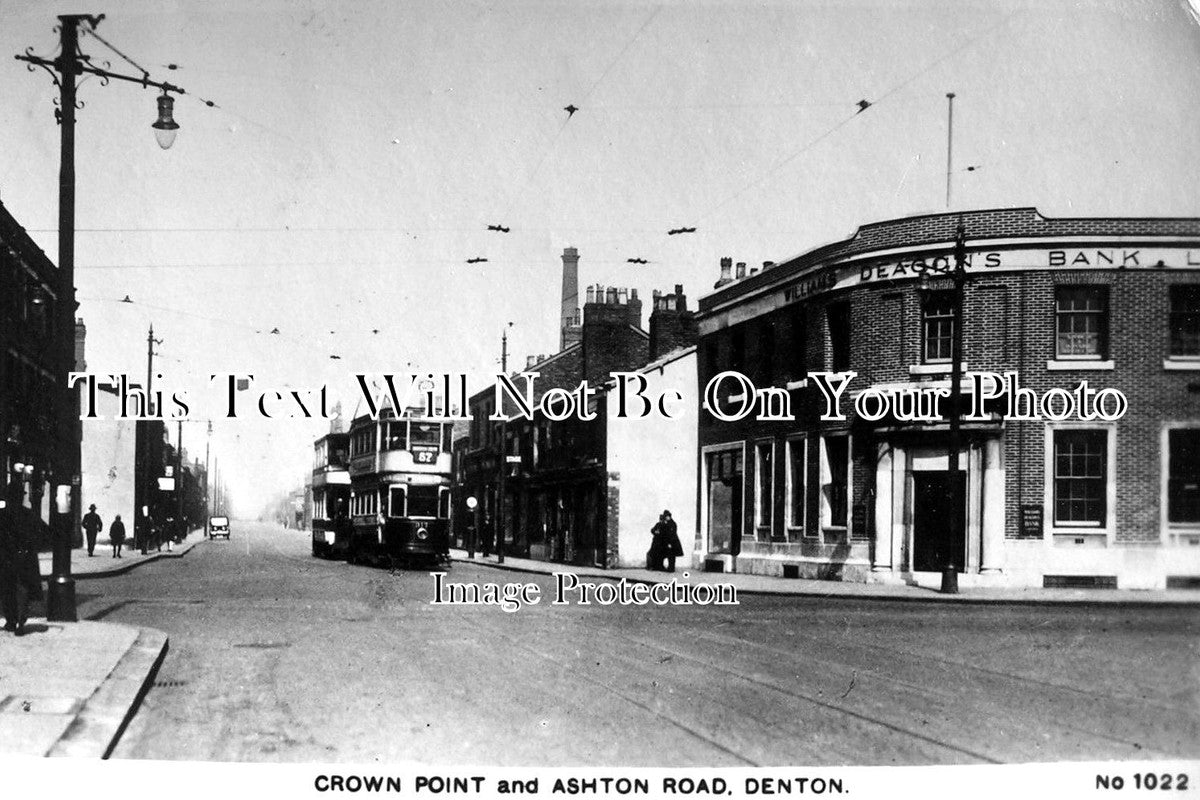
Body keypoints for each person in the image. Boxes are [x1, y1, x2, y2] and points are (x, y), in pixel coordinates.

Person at [1, 483, 44, 635]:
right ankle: (20, 619)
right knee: (22, 588)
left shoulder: (2, 514)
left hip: (5, 557)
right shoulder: (28, 514)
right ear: (21, 497)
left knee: (7, 589)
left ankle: (11, 620)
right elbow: (43, 533)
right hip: (24, 557)